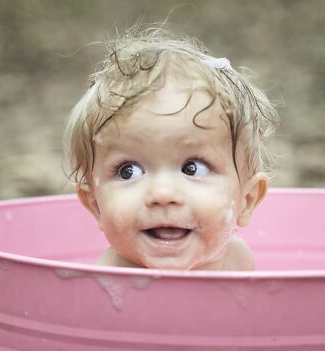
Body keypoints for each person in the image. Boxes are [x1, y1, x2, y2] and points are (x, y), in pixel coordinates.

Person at [63, 25, 279, 271]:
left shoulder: (237, 261)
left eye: (192, 168)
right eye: (128, 171)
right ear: (95, 205)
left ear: (247, 200)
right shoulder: (109, 280)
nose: (163, 194)